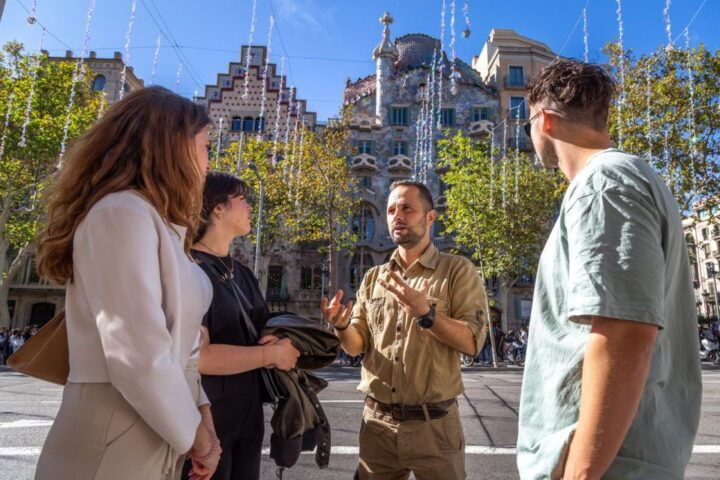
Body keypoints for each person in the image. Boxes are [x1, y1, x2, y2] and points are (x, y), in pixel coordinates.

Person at [518, 59, 701, 479]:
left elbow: (624, 335)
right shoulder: (619, 178)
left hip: (607, 467)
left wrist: (580, 474)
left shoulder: (603, 184)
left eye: (526, 124)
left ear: (543, 121)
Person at [35, 86, 220, 480]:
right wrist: (197, 438)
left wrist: (201, 413)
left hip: (160, 424)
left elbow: (182, 348)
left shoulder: (160, 223)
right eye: (206, 146)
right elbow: (136, 351)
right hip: (114, 428)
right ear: (172, 146)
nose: (209, 163)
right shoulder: (120, 213)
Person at [322, 180, 488, 480]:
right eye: (391, 209)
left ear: (430, 217)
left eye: (407, 208)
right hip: (377, 427)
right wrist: (341, 325)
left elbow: (472, 341)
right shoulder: (373, 277)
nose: (397, 215)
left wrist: (426, 313)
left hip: (435, 428)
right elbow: (355, 346)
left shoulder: (457, 270)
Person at [185, 171, 300, 480]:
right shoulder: (187, 269)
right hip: (206, 419)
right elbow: (199, 357)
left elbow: (266, 326)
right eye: (242, 199)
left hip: (249, 416)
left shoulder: (244, 274)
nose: (250, 207)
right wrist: (269, 355)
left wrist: (281, 338)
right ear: (217, 209)